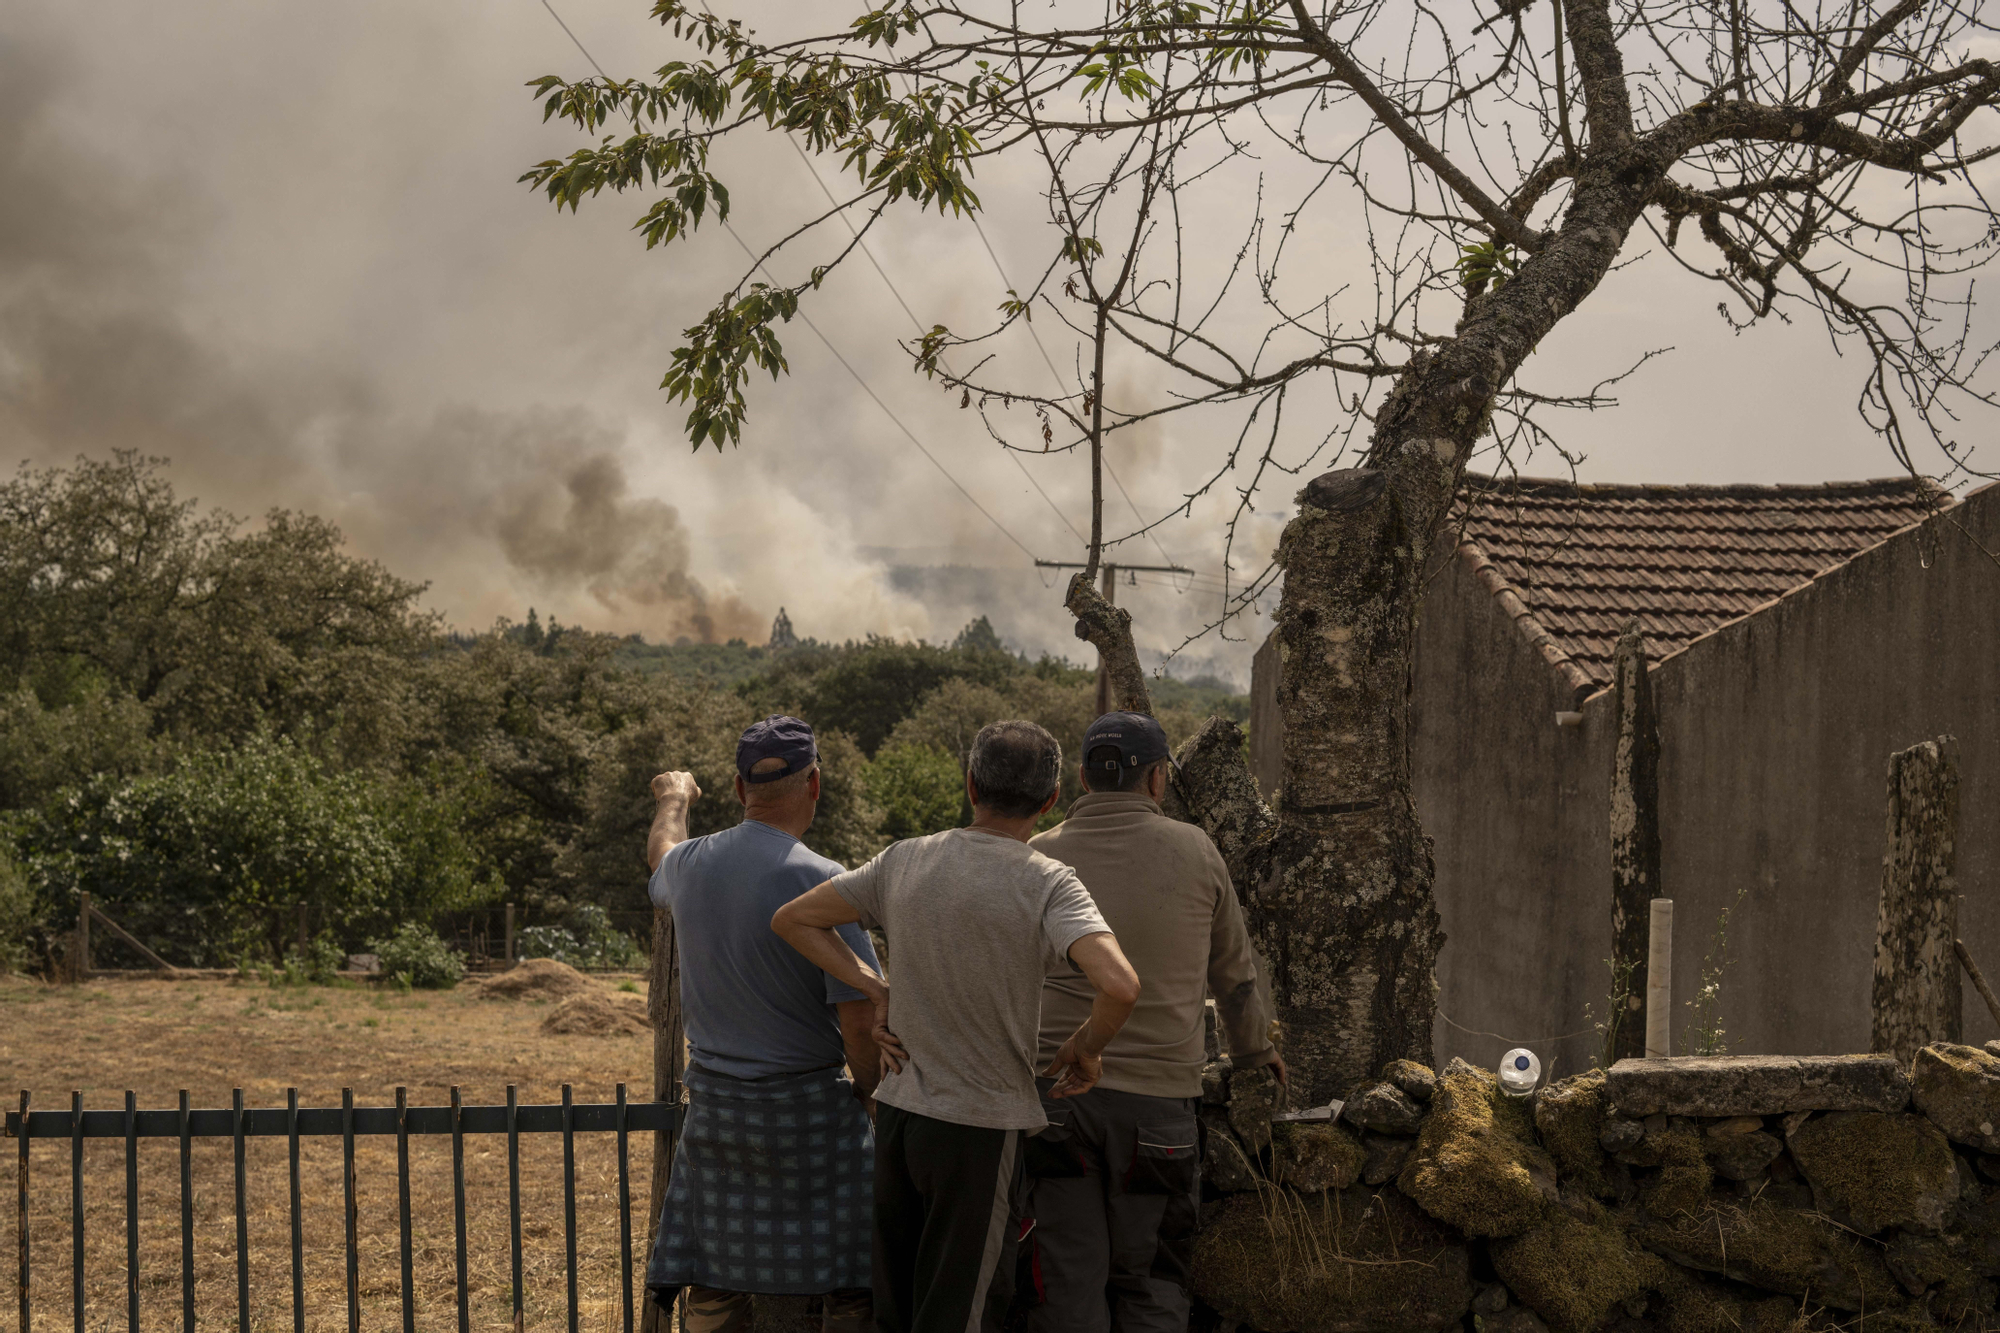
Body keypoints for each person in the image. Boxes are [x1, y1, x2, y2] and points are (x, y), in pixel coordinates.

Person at [771, 720, 1143, 1333]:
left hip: (899, 1116)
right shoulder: (1048, 881)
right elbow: (1121, 985)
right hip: (981, 1127)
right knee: (962, 1311)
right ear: (1050, 801)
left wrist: (873, 984)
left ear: (970, 784)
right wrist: (1087, 1046)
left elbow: (793, 919)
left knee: (898, 1303)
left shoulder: (904, 860)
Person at [1021, 711, 1285, 1333]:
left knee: (1065, 1278)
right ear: (1157, 780)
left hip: (1056, 1103)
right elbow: (1235, 976)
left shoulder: (1038, 856)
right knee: (1153, 1282)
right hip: (1159, 1110)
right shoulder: (1196, 851)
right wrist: (1252, 1055)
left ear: (1084, 778)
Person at [642, 716, 883, 1333]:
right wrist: (869, 1094)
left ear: (738, 787)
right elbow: (860, 1020)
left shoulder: (691, 867)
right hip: (812, 1115)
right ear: (816, 784)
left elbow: (661, 853)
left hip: (719, 1109)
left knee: (715, 1287)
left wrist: (674, 798)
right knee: (852, 1281)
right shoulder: (827, 882)